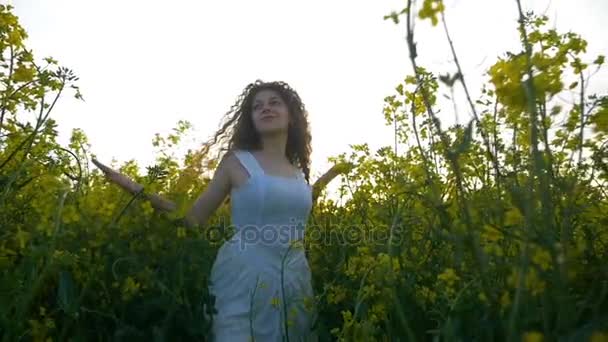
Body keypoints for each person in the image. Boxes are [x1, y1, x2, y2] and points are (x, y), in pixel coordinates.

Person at [92, 80, 353, 341]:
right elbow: (193, 218)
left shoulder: (298, 174)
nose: (266, 109)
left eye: (275, 103)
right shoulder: (236, 163)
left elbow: (296, 212)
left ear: (292, 116)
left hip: (295, 280)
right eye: (257, 106)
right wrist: (136, 189)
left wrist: (330, 175)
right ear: (251, 119)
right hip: (243, 276)